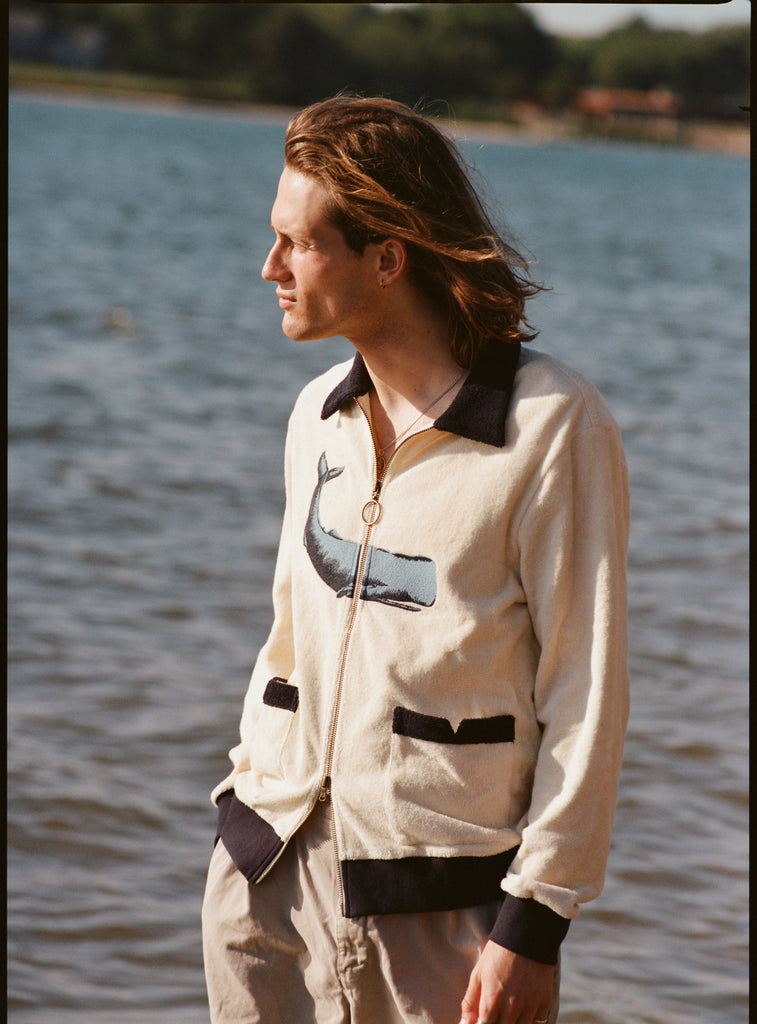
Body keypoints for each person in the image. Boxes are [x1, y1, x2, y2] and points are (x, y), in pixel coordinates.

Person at [202, 95, 629, 1024]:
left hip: (439, 910)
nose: (268, 267)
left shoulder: (552, 430)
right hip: (263, 871)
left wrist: (534, 919)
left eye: (298, 244)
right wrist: (243, 808)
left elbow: (584, 692)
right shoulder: (317, 411)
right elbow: (288, 633)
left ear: (385, 258)